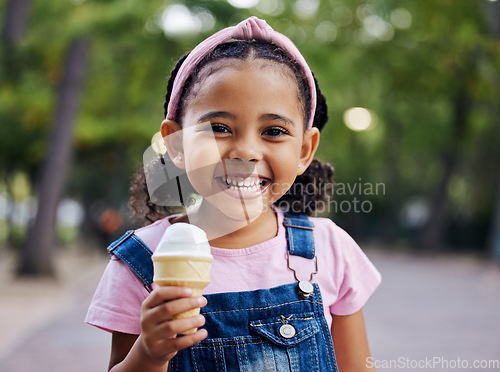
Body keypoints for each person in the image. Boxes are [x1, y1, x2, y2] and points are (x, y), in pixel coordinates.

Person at [86, 16, 381, 371]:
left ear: (305, 150)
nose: (245, 151)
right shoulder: (142, 262)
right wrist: (149, 354)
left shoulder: (330, 249)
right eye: (220, 128)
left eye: (273, 131)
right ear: (175, 143)